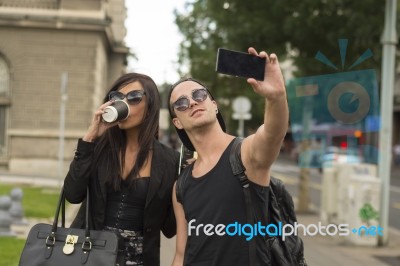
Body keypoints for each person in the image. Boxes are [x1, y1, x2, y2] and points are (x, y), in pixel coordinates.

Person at [168, 47, 289, 265]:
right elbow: (181, 254)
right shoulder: (181, 184)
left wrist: (276, 98)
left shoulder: (245, 154)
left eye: (199, 95)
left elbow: (272, 134)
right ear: (177, 121)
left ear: (214, 105)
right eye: (181, 103)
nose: (193, 102)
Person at [63, 73, 180, 266]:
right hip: (88, 255)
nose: (123, 103)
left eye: (133, 97)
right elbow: (72, 194)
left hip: (139, 260)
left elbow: (169, 228)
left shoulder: (170, 160)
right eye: (116, 97)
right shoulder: (99, 148)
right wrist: (89, 139)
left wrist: (187, 185)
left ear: (150, 105)